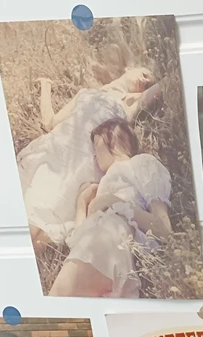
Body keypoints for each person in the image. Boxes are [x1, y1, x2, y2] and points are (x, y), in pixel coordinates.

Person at [17, 67, 162, 255]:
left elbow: (162, 85)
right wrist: (46, 86)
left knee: (38, 236)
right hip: (59, 152)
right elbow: (50, 122)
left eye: (148, 82)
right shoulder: (85, 93)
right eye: (144, 73)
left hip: (83, 168)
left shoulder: (128, 105)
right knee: (27, 214)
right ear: (128, 68)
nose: (145, 80)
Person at [48, 118, 172, 298]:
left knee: (60, 303)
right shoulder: (104, 186)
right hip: (97, 250)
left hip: (114, 242)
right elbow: (77, 242)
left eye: (96, 146)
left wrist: (113, 202)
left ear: (113, 138)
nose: (94, 155)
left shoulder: (141, 163)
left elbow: (164, 230)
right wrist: (82, 204)